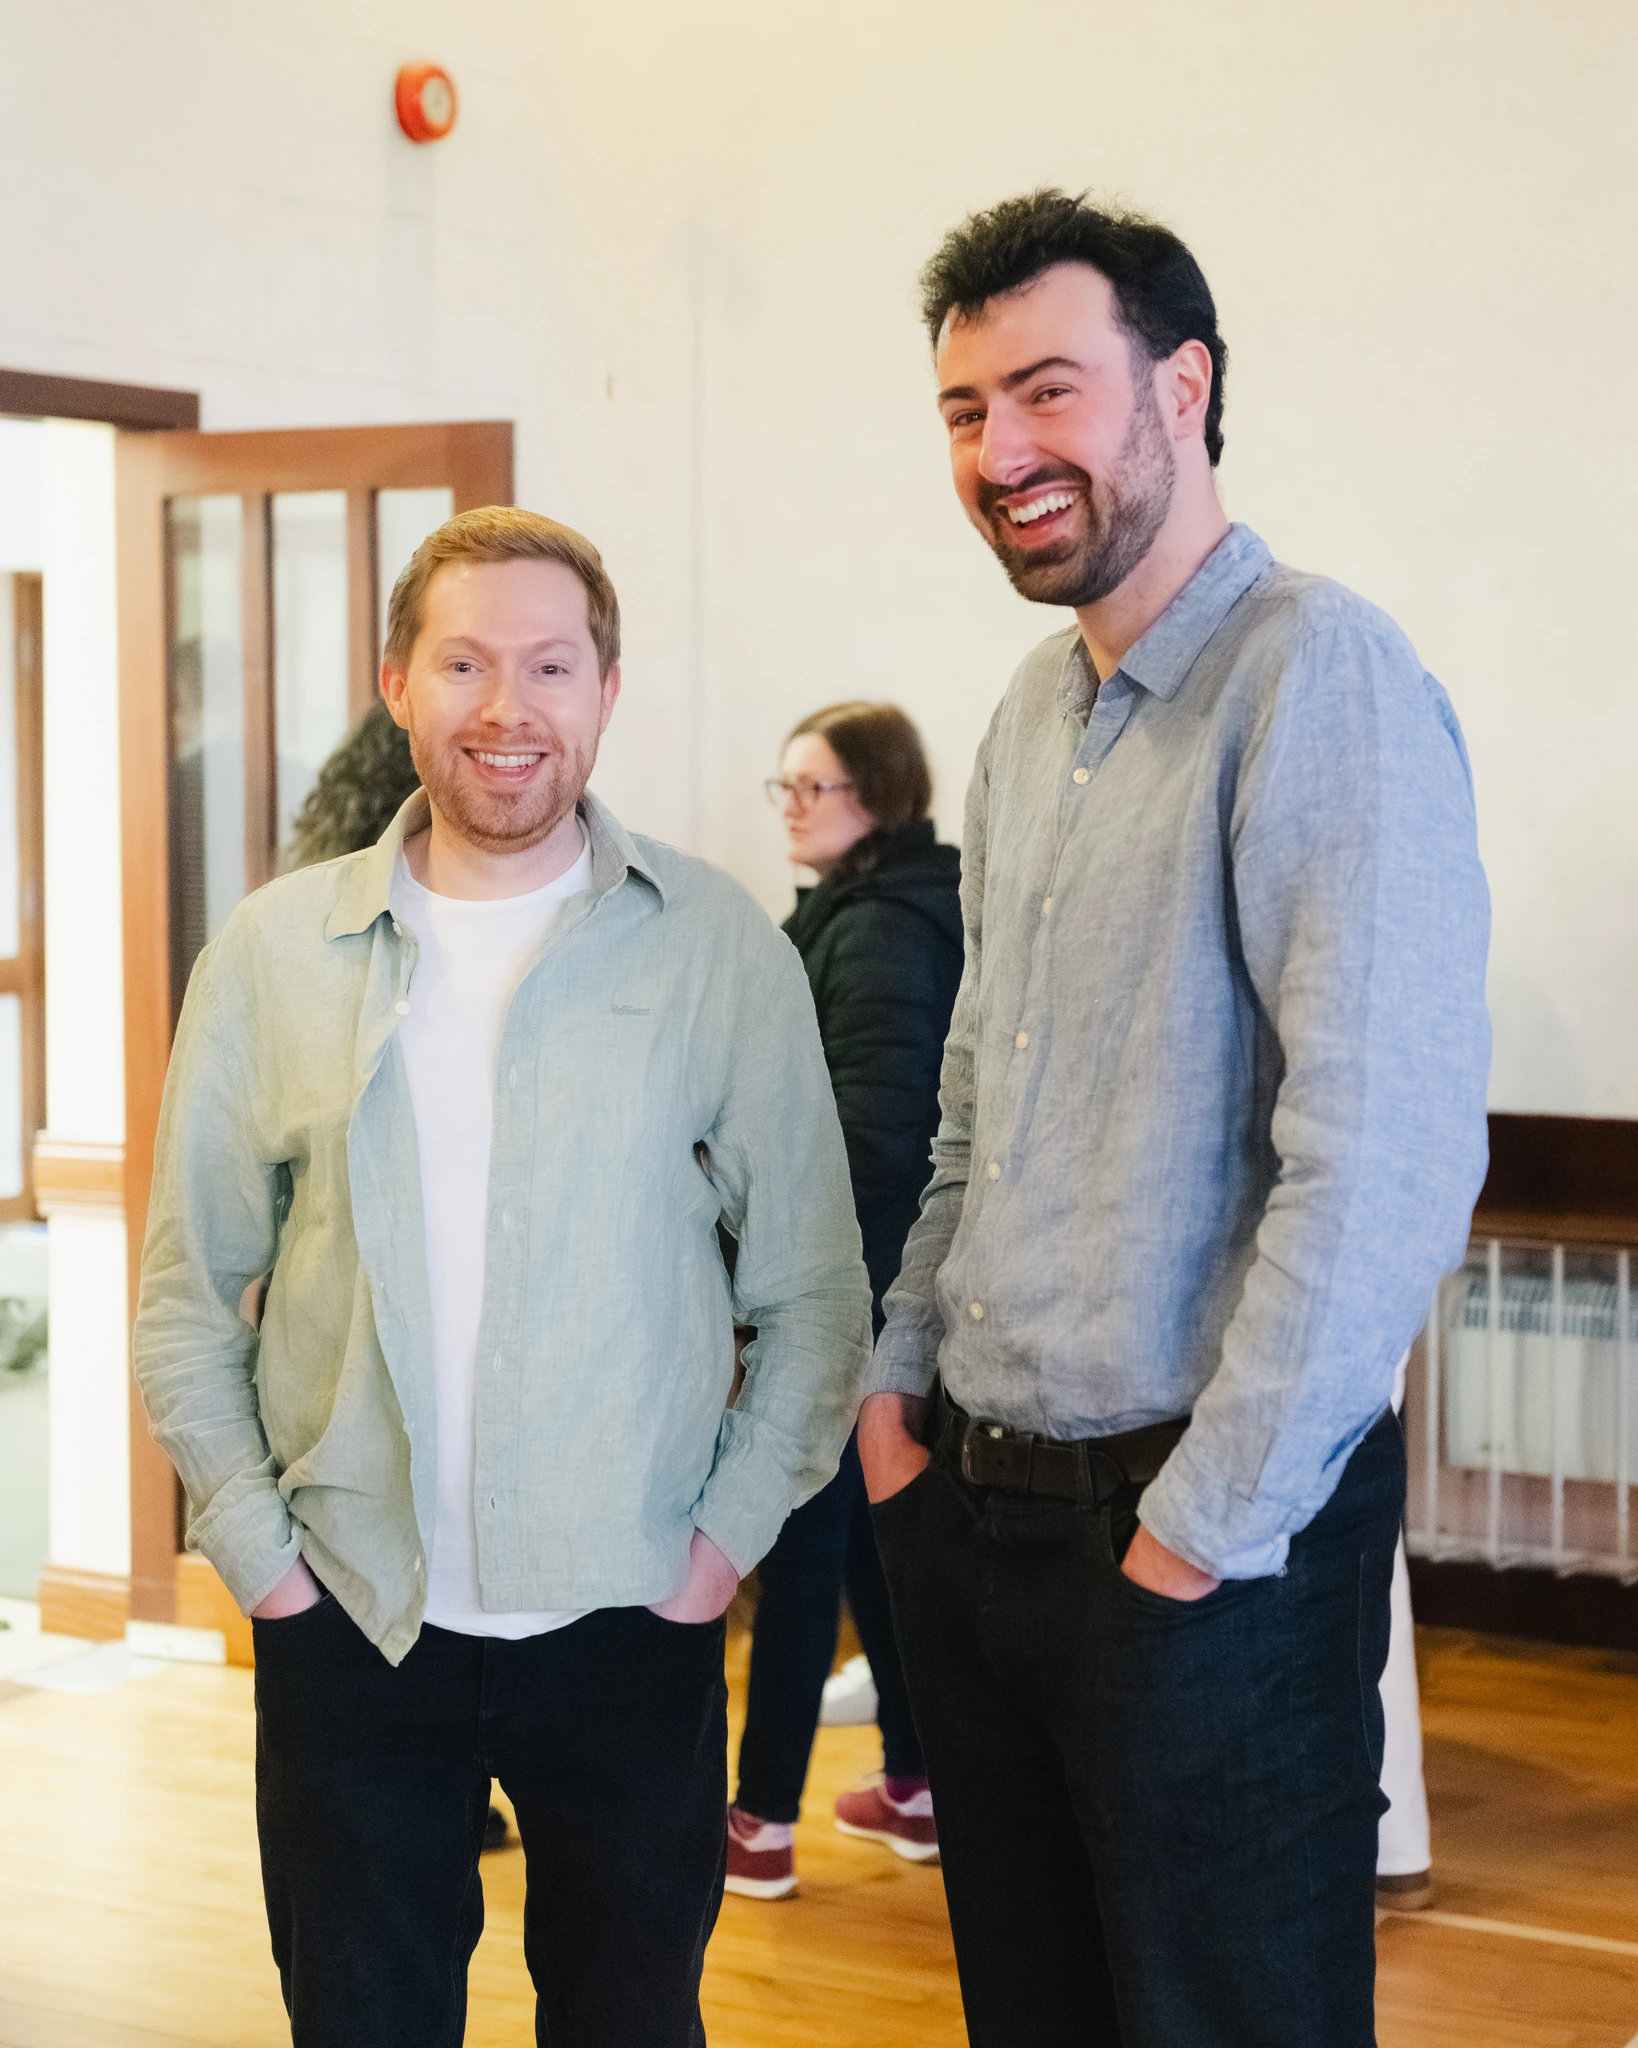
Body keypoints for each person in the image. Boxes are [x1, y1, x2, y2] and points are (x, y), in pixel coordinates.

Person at [857, 190, 1490, 2048]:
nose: (999, 453)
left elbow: (1375, 1165)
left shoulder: (1318, 672)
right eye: (964, 410)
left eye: (1043, 391)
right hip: (977, 1520)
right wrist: (896, 1390)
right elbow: (974, 1099)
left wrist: (1195, 1537)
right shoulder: (1023, 717)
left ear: (1182, 386)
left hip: (1198, 1552)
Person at [133, 506, 871, 2048]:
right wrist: (264, 1560)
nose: (504, 707)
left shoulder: (715, 951)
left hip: (629, 1616)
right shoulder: (274, 955)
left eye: (548, 664)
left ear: (607, 690)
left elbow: (810, 1295)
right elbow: (189, 1298)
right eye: (462, 661)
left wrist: (718, 1552)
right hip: (351, 1617)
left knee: (626, 2026)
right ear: (396, 681)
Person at [726, 702, 962, 1899]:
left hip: (854, 1279)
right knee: (864, 1536)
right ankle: (919, 1784)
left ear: (876, 794)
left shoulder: (875, 933)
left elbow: (877, 1136)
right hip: (863, 1277)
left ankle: (760, 1819)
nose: (792, 807)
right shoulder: (870, 912)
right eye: (786, 785)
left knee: (802, 1541)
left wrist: (820, 1305)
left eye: (811, 786)